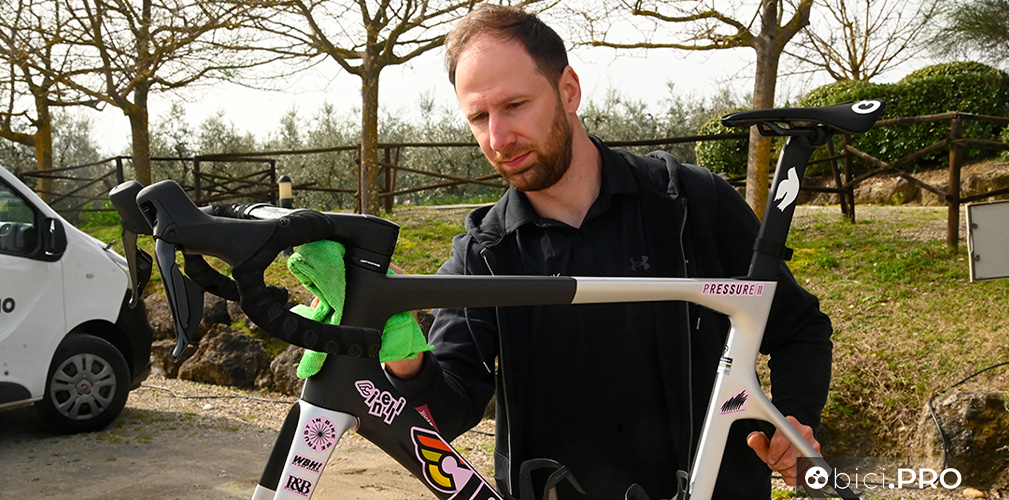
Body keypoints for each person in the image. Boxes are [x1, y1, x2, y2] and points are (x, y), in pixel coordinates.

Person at [386, 4, 831, 500]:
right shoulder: (483, 256)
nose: (498, 138)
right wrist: (403, 352)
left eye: (514, 105)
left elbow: (799, 329)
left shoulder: (691, 203)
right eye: (479, 116)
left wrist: (794, 419)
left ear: (569, 90)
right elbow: (446, 413)